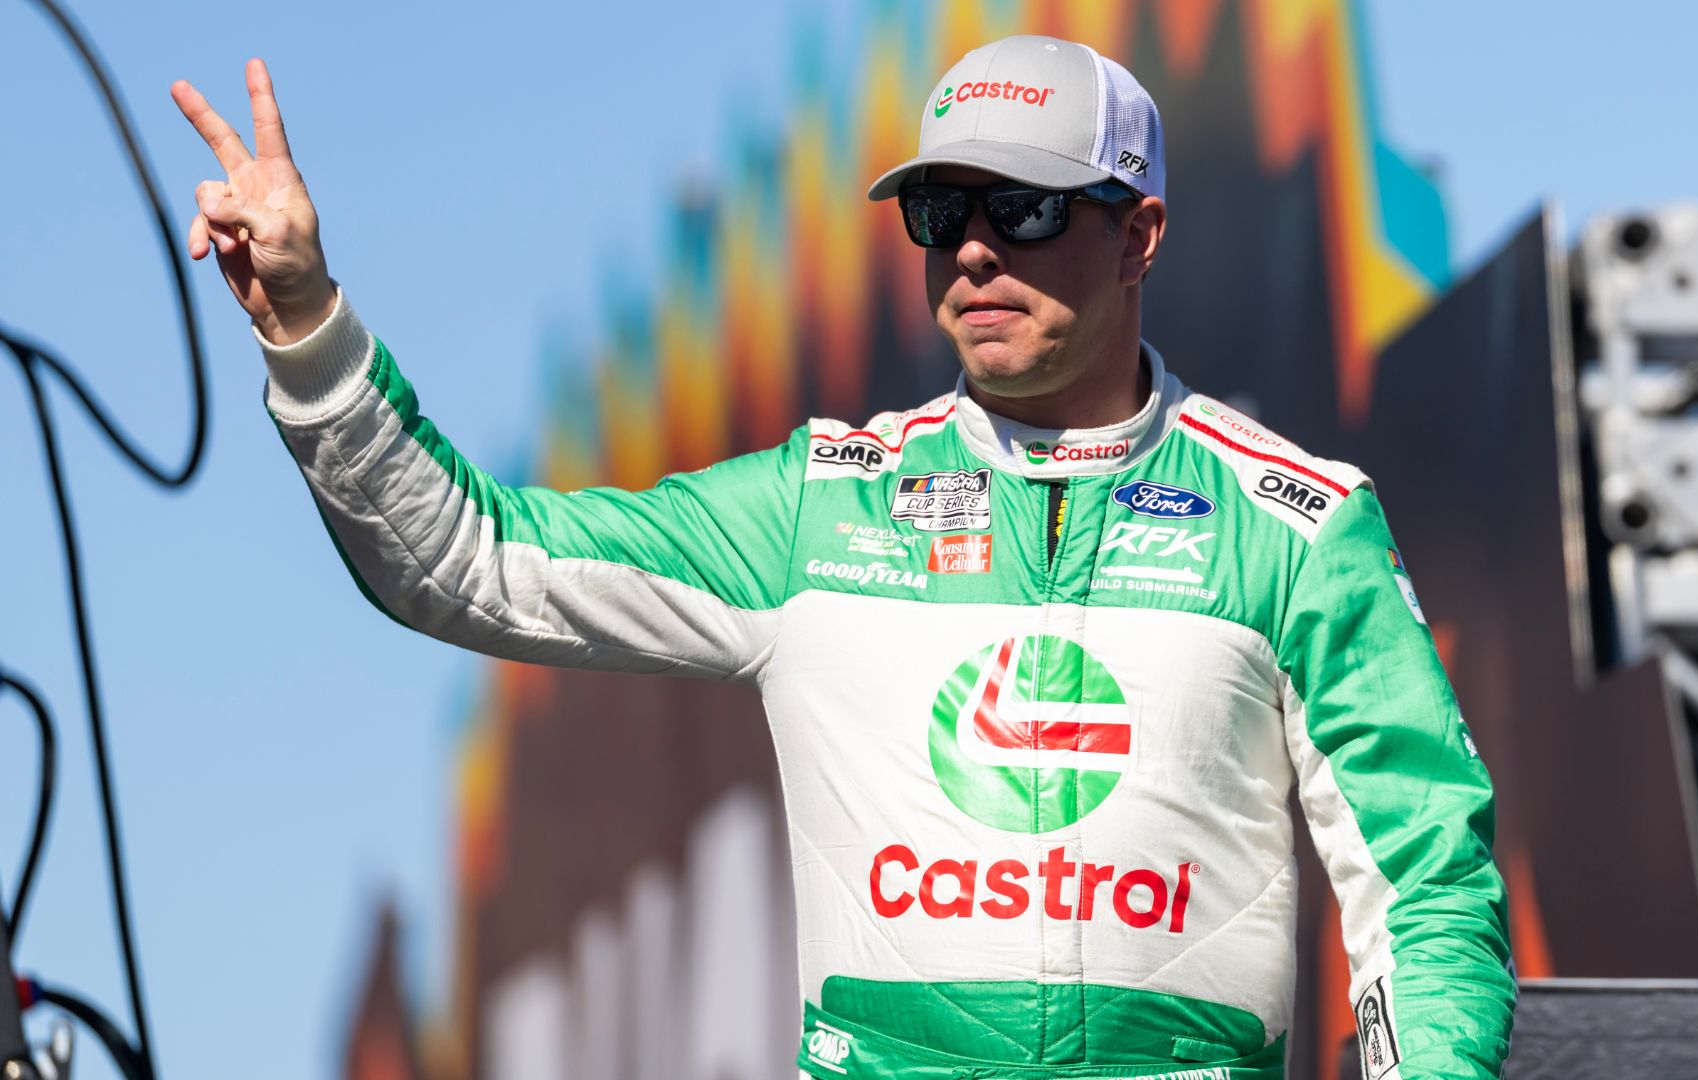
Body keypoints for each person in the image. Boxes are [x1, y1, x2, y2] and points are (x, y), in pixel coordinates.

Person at [174, 34, 1513, 1080]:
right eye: (940, 212)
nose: (974, 249)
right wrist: (308, 326)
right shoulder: (822, 506)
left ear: (1140, 235)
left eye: (1026, 210)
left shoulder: (1298, 522)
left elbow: (1427, 891)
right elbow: (465, 558)